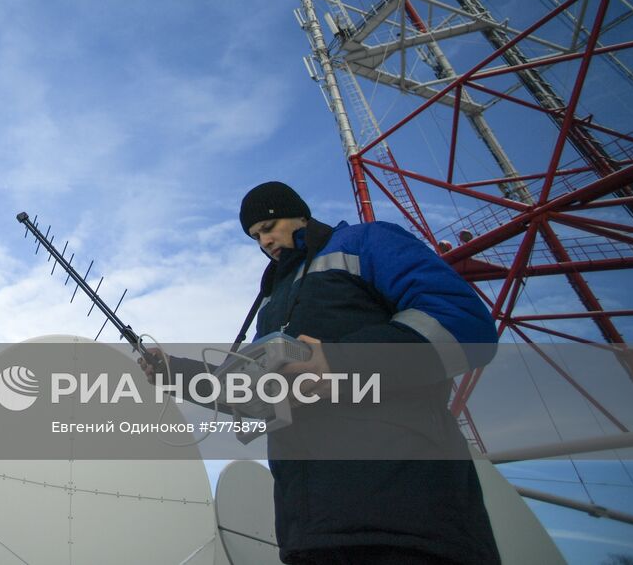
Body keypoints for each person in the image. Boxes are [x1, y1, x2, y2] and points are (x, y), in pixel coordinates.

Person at [142, 181, 502, 565]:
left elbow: (462, 323)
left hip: (410, 514)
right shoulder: (272, 304)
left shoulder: (366, 241)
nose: (263, 242)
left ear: (299, 215)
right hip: (310, 531)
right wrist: (173, 372)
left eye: (268, 227)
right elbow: (255, 393)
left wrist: (339, 361)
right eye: (254, 237)